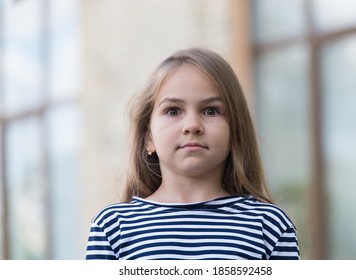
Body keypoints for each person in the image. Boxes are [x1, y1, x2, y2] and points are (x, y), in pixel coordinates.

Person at [85, 47, 300, 260]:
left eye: (210, 111)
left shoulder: (269, 227)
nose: (192, 125)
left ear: (235, 131)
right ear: (148, 137)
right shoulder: (112, 228)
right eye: (173, 111)